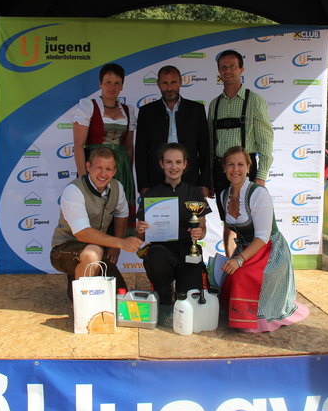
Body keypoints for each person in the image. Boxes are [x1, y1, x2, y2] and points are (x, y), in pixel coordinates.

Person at [220, 146, 308, 333]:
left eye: (240, 165)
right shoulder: (224, 195)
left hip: (270, 250)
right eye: (231, 165)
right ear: (224, 168)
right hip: (245, 250)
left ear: (248, 168)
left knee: (241, 277)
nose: (236, 169)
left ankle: (252, 320)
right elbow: (229, 229)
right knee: (227, 279)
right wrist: (231, 257)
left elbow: (262, 237)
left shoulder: (258, 193)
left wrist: (239, 260)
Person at [50, 147, 143, 297]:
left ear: (114, 171)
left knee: (121, 295)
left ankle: (78, 280)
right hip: (63, 249)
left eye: (108, 169)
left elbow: (122, 214)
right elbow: (82, 233)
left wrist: (115, 248)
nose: (103, 174)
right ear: (88, 167)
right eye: (98, 168)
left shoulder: (117, 187)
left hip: (98, 248)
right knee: (93, 253)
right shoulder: (74, 190)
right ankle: (83, 303)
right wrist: (121, 243)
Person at [135, 143, 211, 324]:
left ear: (185, 164)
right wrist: (140, 231)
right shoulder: (151, 195)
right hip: (161, 250)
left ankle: (182, 293)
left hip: (188, 250)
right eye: (168, 162)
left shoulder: (195, 193)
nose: (173, 167)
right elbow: (141, 236)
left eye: (178, 162)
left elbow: (203, 230)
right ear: (161, 164)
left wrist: (199, 233)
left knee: (188, 298)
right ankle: (164, 293)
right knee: (156, 255)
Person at [208, 50, 273, 216]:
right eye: (223, 67)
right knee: (228, 220)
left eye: (232, 67)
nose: (228, 71)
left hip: (246, 170)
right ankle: (228, 244)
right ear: (219, 71)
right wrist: (209, 177)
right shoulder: (214, 104)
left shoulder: (255, 101)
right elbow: (210, 143)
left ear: (241, 70)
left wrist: (260, 177)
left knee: (249, 220)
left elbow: (265, 141)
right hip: (221, 169)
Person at [72, 63, 137, 227]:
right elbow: (79, 145)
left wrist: (127, 173)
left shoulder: (128, 110)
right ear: (100, 84)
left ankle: (113, 251)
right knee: (93, 213)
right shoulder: (88, 106)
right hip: (95, 168)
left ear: (122, 86)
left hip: (120, 169)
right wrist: (83, 179)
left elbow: (129, 146)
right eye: (108, 82)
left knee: (118, 215)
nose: (112, 87)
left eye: (117, 83)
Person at [135, 65, 211, 197]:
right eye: (165, 83)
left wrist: (205, 183)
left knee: (192, 218)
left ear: (181, 82)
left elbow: (205, 149)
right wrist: (143, 185)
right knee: (159, 217)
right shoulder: (146, 112)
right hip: (155, 180)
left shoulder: (196, 110)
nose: (169, 88)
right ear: (158, 84)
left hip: (191, 179)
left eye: (173, 82)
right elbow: (140, 152)